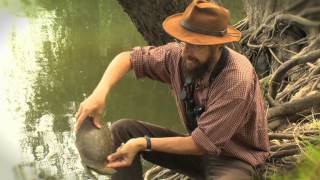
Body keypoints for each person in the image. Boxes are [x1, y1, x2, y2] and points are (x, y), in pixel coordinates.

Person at [75, 0, 270, 179]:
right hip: (196, 151)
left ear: (217, 46)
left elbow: (202, 143)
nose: (186, 52)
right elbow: (128, 59)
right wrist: (99, 93)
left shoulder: (236, 80)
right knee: (123, 130)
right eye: (185, 42)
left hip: (234, 158)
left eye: (196, 46)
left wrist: (144, 143)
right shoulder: (179, 56)